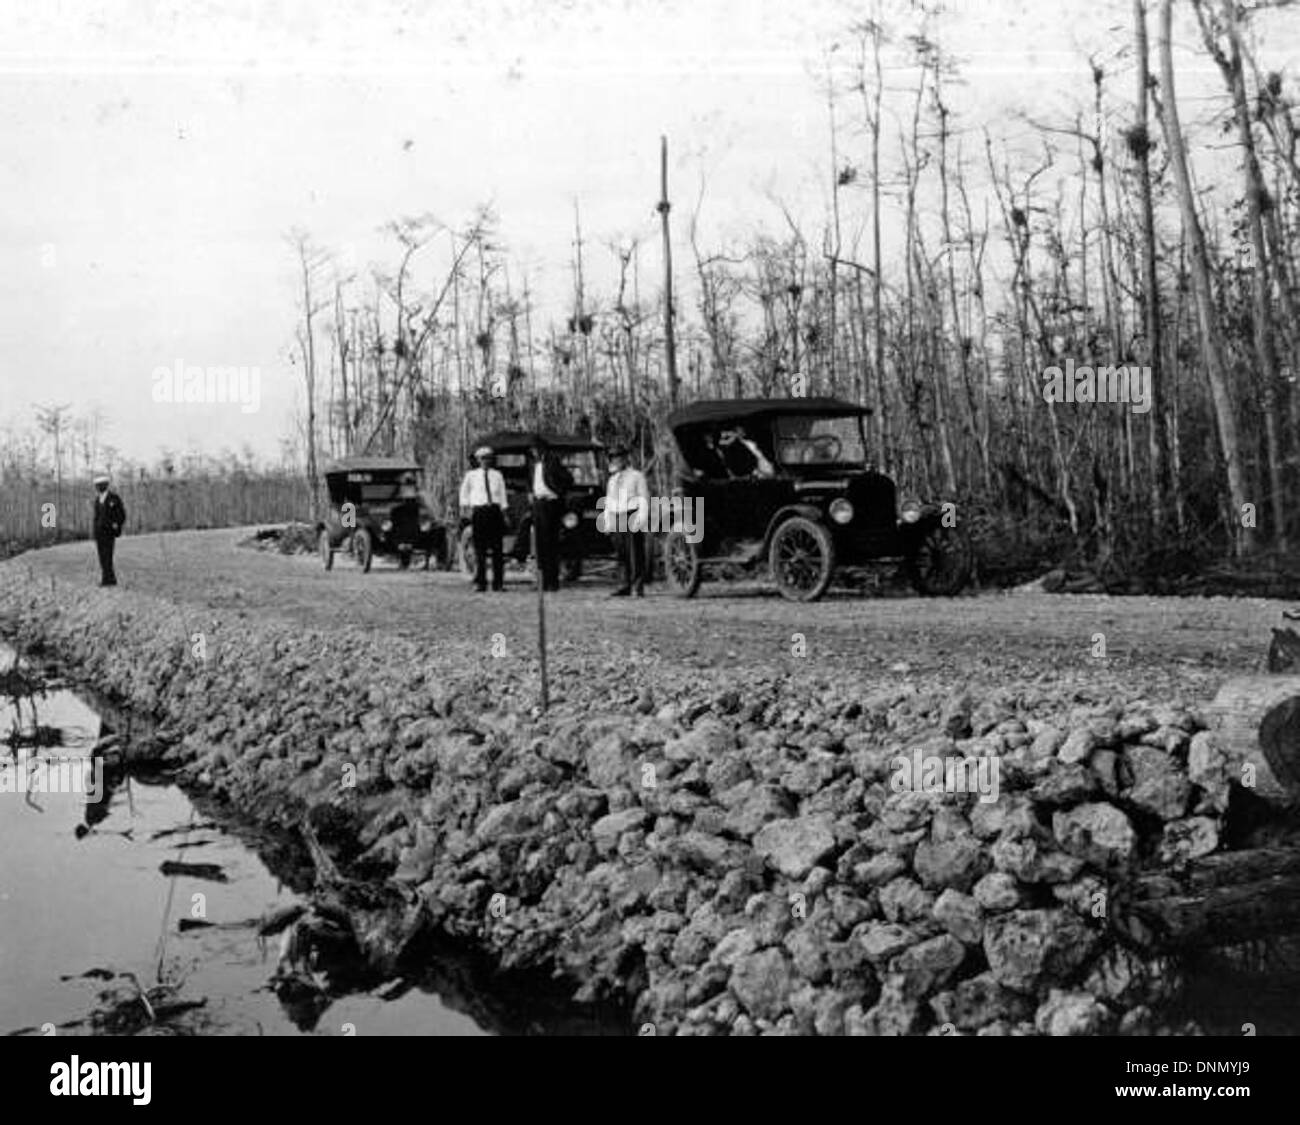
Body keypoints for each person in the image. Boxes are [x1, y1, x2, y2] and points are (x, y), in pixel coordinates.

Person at [458, 446, 508, 592]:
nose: (486, 461)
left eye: (488, 458)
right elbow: (464, 493)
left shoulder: (497, 475)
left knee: (497, 550)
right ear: (478, 460)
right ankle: (481, 582)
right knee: (480, 549)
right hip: (479, 512)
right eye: (483, 458)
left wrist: (504, 513)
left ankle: (498, 584)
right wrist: (465, 509)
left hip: (494, 511)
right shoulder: (471, 476)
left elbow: (503, 495)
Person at [603, 444, 650, 597]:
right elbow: (608, 501)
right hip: (617, 515)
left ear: (625, 458)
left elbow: (644, 497)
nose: (616, 460)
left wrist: (642, 517)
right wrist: (607, 522)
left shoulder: (636, 476)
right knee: (621, 554)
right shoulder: (612, 480)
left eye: (619, 457)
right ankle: (624, 584)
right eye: (613, 458)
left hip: (632, 514)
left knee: (635, 552)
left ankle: (637, 585)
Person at [529, 436, 573, 592]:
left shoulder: (553, 461)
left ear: (542, 449)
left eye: (535, 448)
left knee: (551, 544)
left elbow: (568, 479)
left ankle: (552, 582)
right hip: (538, 504)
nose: (533, 452)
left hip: (551, 504)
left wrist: (558, 492)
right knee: (540, 545)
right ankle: (542, 581)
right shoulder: (534, 464)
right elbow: (533, 482)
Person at [91, 472, 126, 586]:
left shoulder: (114, 498)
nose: (98, 488)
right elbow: (96, 517)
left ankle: (108, 580)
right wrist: (94, 531)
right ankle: (109, 579)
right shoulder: (97, 500)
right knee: (102, 557)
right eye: (97, 486)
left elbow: (121, 514)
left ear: (105, 485)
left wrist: (116, 525)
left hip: (109, 532)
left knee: (108, 556)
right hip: (99, 533)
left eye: (100, 485)